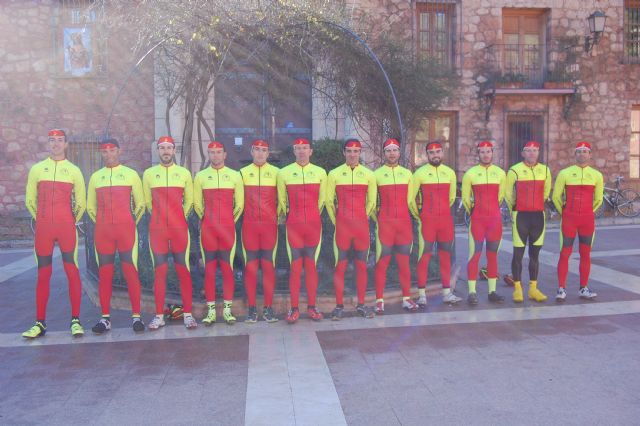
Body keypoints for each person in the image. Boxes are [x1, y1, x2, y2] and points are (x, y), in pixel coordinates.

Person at [23, 129, 86, 338]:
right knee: (43, 275)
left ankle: (75, 321)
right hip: (44, 229)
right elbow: (30, 200)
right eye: (52, 140)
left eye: (60, 140)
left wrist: (70, 220)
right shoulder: (37, 169)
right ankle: (40, 323)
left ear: (66, 144)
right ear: (48, 143)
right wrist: (41, 218)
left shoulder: (74, 170)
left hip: (66, 227)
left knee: (72, 272)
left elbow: (82, 202)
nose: (56, 144)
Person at [87, 138, 146, 334]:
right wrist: (102, 223)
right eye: (104, 151)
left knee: (131, 272)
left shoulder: (130, 175)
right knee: (105, 275)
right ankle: (105, 319)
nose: (108, 154)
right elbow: (90, 207)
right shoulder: (96, 177)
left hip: (126, 231)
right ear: (101, 153)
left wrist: (130, 221)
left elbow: (140, 204)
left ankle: (137, 317)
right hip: (103, 233)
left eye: (112, 150)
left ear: (119, 151)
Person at [142, 136, 197, 329]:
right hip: (158, 230)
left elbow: (190, 201)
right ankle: (159, 316)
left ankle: (188, 314)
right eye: (162, 148)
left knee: (183, 270)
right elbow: (147, 202)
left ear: (174, 150)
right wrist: (159, 218)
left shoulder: (183, 173)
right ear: (158, 151)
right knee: (160, 272)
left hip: (179, 229)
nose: (165, 151)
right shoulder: (149, 174)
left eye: (169, 148)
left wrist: (180, 217)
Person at [277, 138, 327, 323]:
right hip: (294, 225)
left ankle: (312, 307)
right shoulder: (284, 173)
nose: (301, 151)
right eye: (298, 148)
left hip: (313, 225)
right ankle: (294, 308)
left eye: (305, 148)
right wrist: (292, 216)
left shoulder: (320, 172)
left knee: (311, 267)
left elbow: (323, 200)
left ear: (310, 151)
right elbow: (282, 200)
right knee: (296, 268)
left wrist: (312, 215)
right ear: (294, 151)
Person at [326, 139, 377, 320]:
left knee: (361, 266)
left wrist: (363, 216)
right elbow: (329, 201)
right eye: (349, 151)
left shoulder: (369, 174)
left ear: (360, 153)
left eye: (356, 151)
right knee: (340, 266)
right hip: (343, 227)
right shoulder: (334, 174)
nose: (352, 154)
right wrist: (337, 221)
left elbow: (372, 201)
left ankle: (361, 304)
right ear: (344, 153)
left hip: (361, 227)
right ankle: (339, 306)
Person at [194, 141, 244, 325]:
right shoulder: (200, 176)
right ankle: (211, 312)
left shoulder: (234, 175)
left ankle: (228, 311)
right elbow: (197, 204)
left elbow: (239, 204)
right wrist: (207, 220)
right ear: (208, 155)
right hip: (208, 230)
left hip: (227, 230)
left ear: (225, 155)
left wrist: (229, 221)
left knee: (227, 269)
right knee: (209, 270)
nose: (215, 155)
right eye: (212, 152)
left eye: (218, 152)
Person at [410, 141, 462, 307]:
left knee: (445, 256)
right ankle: (422, 296)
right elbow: (410, 198)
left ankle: (447, 293)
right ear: (427, 155)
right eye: (431, 153)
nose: (435, 155)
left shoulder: (450, 173)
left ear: (442, 153)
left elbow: (452, 197)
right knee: (424, 256)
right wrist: (419, 216)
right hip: (427, 221)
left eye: (438, 151)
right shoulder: (419, 173)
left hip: (445, 220)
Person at [552, 141, 603, 301]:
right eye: (579, 151)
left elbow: (599, 199)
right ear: (575, 154)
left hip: (587, 220)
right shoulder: (565, 173)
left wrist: (589, 212)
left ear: (590, 154)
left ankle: (583, 288)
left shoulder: (596, 175)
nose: (582, 154)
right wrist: (564, 212)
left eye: (585, 151)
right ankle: (561, 289)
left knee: (585, 254)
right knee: (564, 253)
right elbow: (556, 196)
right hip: (569, 219)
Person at [372, 138, 417, 314]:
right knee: (382, 262)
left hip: (404, 224)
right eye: (388, 150)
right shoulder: (376, 175)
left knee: (404, 263)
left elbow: (411, 201)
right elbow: (372, 202)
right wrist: (378, 219)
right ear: (384, 153)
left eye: (395, 150)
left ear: (399, 152)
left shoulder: (407, 174)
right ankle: (379, 301)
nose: (392, 153)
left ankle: (407, 298)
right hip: (385, 225)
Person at [505, 140, 551, 303]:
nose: (532, 153)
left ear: (538, 153)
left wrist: (537, 205)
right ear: (522, 153)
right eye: (528, 150)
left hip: (538, 216)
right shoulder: (514, 170)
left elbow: (546, 192)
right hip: (520, 216)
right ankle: (518, 289)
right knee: (518, 254)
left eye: (535, 150)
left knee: (535, 255)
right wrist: (514, 208)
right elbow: (508, 194)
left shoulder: (545, 170)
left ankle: (533, 289)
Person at [462, 140, 506, 305]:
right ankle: (472, 292)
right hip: (478, 221)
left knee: (492, 256)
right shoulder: (470, 174)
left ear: (492, 153)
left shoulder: (500, 173)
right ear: (478, 154)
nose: (486, 155)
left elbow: (501, 196)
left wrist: (492, 210)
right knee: (474, 255)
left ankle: (492, 291)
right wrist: (475, 212)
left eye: (488, 151)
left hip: (495, 221)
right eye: (482, 152)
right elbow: (466, 199)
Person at [240, 139, 279, 323]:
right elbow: (238, 201)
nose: (260, 153)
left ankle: (269, 308)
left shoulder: (277, 173)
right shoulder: (242, 173)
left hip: (269, 227)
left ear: (268, 153)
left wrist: (277, 217)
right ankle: (252, 309)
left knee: (269, 267)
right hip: (250, 226)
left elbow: (282, 199)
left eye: (264, 150)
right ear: (251, 152)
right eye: (257, 150)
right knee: (251, 268)